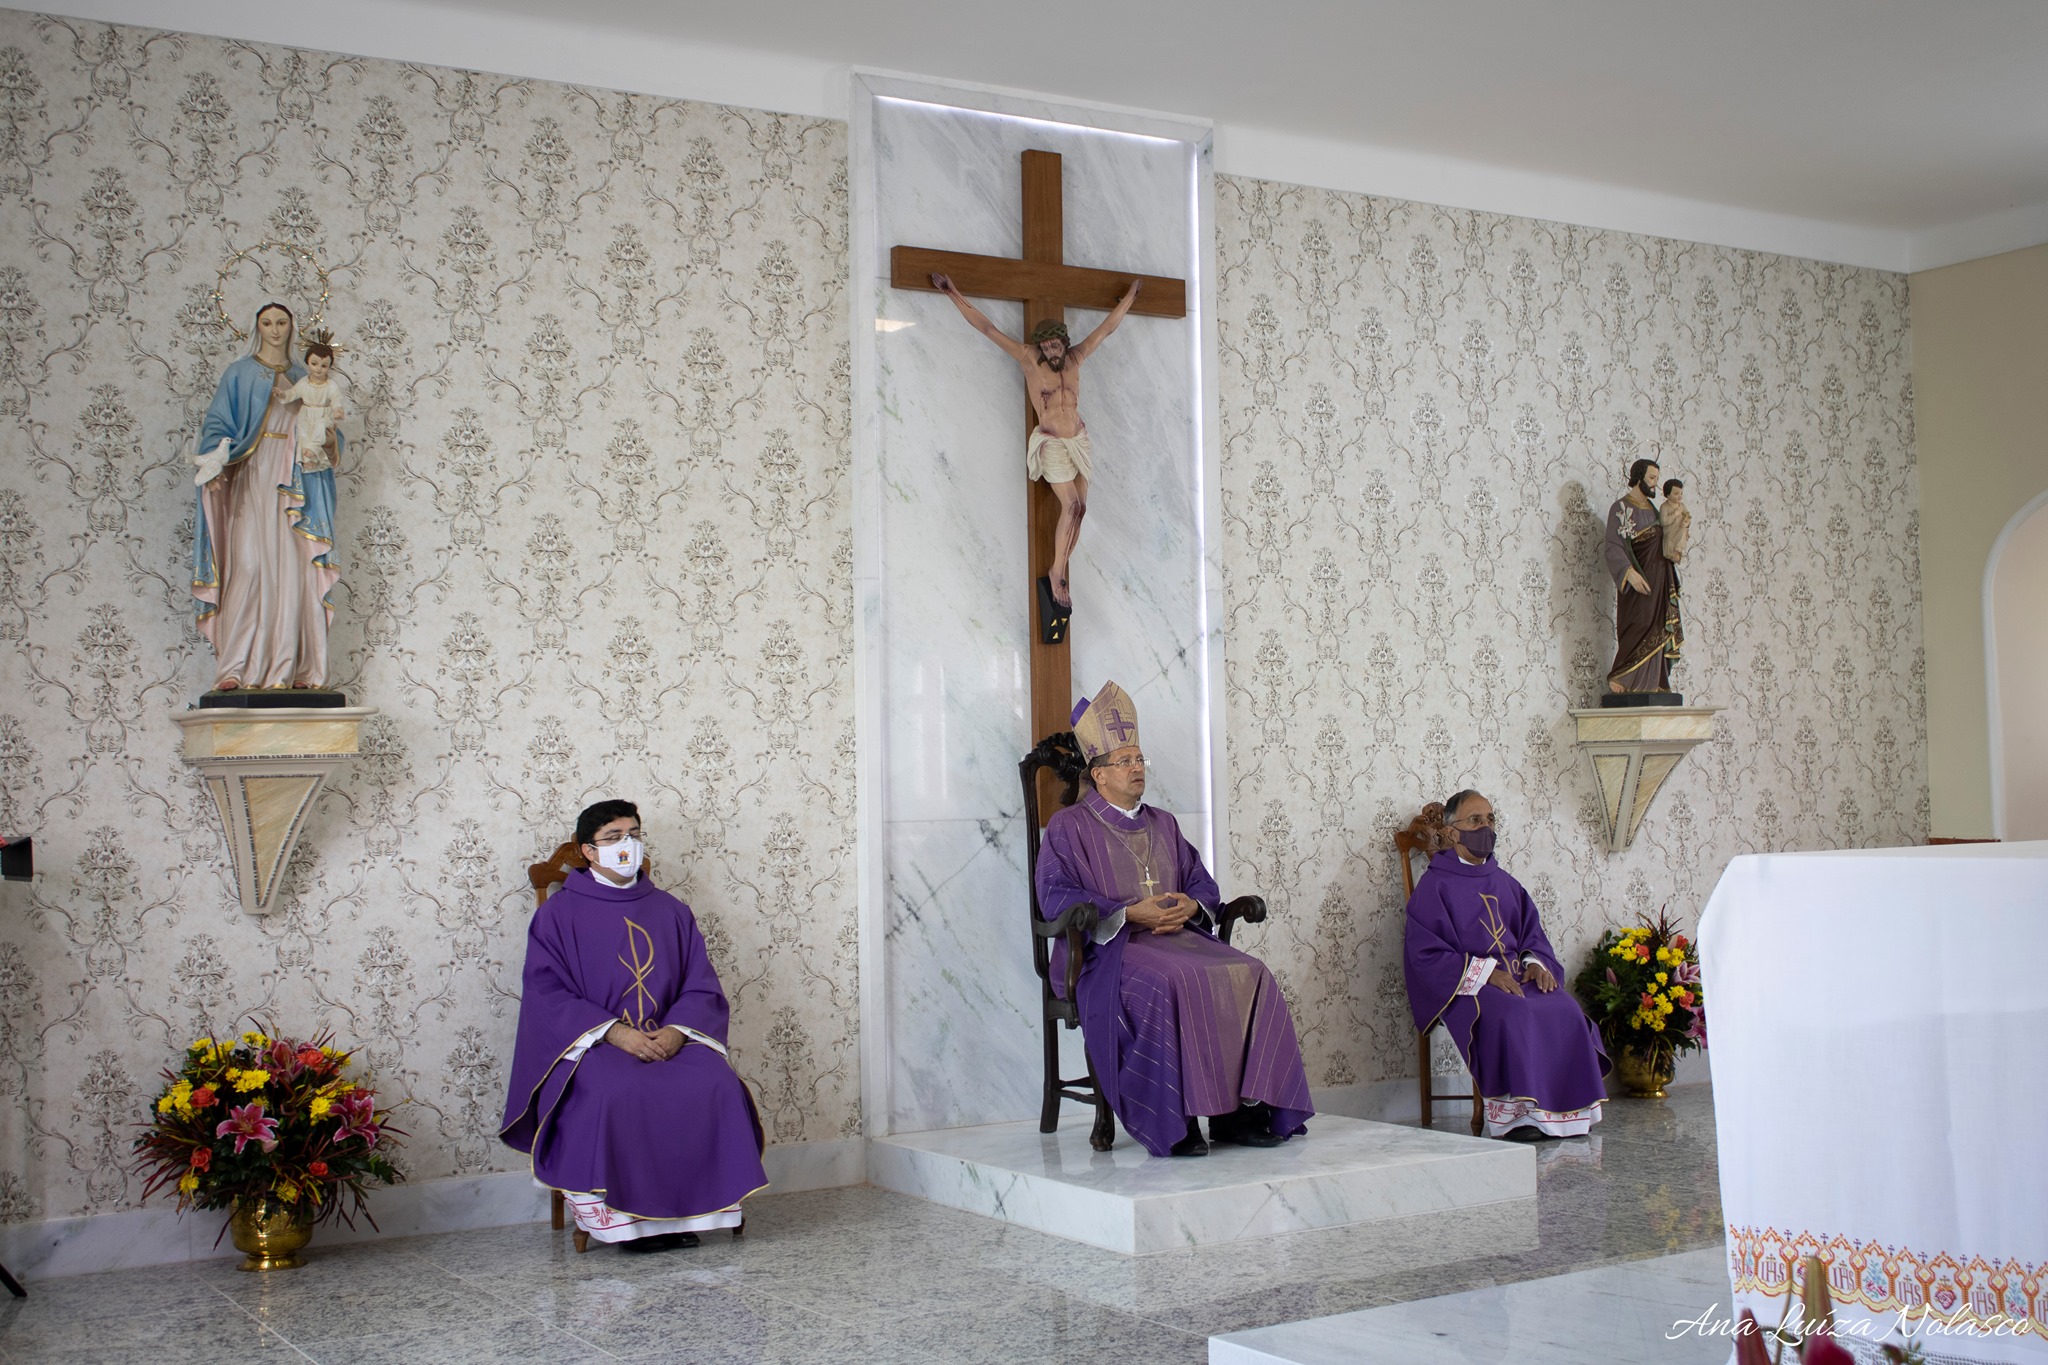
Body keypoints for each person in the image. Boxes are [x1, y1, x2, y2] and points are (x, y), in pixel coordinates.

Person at [1035, 680, 1314, 1157]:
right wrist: (1127, 913)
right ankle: (1175, 1120)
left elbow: (1200, 882)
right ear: (1098, 774)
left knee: (1250, 971)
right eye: (1125, 761)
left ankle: (1239, 1114)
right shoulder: (1069, 825)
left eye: (1139, 759)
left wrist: (1192, 905)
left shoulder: (1163, 822)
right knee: (1172, 981)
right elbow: (1054, 896)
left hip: (1180, 940)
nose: (1136, 768)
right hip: (1108, 953)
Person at [501, 799, 767, 1251]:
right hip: (595, 1043)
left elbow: (700, 982)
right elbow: (547, 991)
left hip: (667, 1035)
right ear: (588, 851)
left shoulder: (671, 910)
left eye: (634, 834)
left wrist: (678, 1031)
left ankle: (689, 1215)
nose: (627, 844)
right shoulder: (558, 914)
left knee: (715, 1081)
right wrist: (615, 1032)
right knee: (613, 1089)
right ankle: (626, 1225)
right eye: (613, 837)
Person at [1403, 790, 1608, 1138]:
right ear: (1452, 832)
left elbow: (1532, 934)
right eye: (1475, 820)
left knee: (1565, 1008)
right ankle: (1520, 1119)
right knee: (1515, 1013)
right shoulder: (1434, 887)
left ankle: (1568, 1115)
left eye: (1490, 819)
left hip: (1518, 976)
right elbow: (1426, 954)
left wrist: (1535, 963)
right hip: (1470, 985)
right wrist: (1486, 974)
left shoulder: (1506, 883)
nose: (1485, 827)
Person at [929, 271, 1141, 610]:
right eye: (1045, 347)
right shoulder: (1029, 358)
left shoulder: (1076, 357)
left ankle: (1061, 568)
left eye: (1055, 345)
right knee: (1071, 506)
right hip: (1053, 441)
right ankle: (1056, 572)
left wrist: (1130, 297)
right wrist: (952, 291)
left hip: (1079, 440)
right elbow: (987, 329)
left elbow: (1106, 329)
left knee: (1082, 510)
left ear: (1064, 342)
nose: (1050, 351)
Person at [189, 302, 341, 692]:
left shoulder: (306, 376)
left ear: (292, 327)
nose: (275, 329)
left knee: (295, 572)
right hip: (253, 476)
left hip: (296, 482)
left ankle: (297, 668)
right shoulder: (239, 373)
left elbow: (329, 429)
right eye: (267, 323)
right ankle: (236, 667)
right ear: (257, 326)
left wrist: (329, 437)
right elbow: (217, 423)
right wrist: (215, 462)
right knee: (249, 566)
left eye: (282, 322)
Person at [1601, 457, 1683, 695]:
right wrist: (1629, 573)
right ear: (1638, 478)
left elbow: (1664, 542)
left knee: (1658, 626)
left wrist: (1676, 545)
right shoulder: (1621, 508)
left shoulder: (1655, 510)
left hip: (1660, 580)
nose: (1656, 483)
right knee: (1639, 623)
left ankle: (1655, 680)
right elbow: (1613, 546)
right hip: (1637, 582)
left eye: (1657, 478)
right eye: (1651, 478)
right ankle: (1624, 674)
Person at [283, 337, 347, 472]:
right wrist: (282, 395)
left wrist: (338, 409)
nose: (318, 369)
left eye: (323, 366)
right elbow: (293, 393)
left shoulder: (331, 385)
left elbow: (336, 398)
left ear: (329, 367)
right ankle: (307, 461)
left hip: (324, 414)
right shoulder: (304, 382)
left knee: (321, 427)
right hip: (306, 414)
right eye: (314, 363)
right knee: (303, 434)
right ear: (308, 362)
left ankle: (313, 450)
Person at [1659, 477, 1691, 563]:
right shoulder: (1664, 507)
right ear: (1668, 495)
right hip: (1670, 533)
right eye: (1676, 494)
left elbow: (1688, 516)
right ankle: (1673, 553)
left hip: (1680, 531)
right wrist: (1674, 515)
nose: (1680, 496)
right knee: (1671, 551)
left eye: (1681, 493)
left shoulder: (1682, 506)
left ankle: (1678, 549)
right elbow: (1663, 522)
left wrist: (1687, 523)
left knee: (1684, 530)